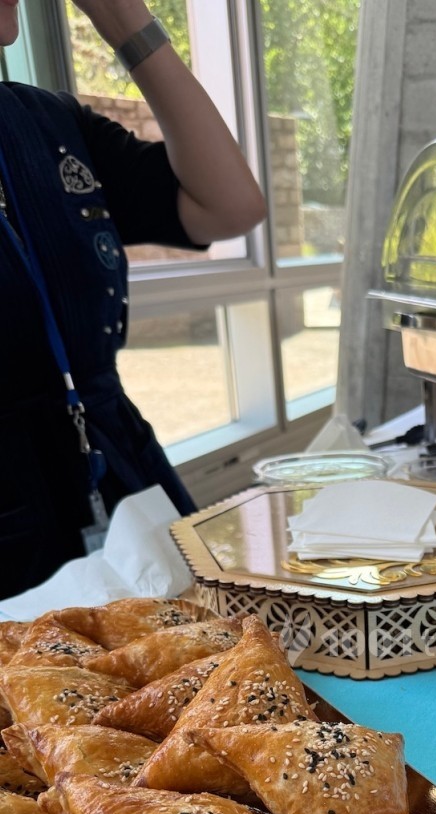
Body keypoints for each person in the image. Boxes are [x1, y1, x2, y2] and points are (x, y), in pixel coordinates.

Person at [0, 0, 266, 596]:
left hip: (118, 471)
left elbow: (231, 205)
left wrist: (122, 21)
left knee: (203, 666)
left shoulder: (45, 122)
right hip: (15, 528)